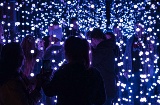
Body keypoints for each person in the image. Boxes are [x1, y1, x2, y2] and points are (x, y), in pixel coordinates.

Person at [42, 36, 106, 105]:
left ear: (68, 53)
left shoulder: (63, 73)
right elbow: (101, 99)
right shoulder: (94, 73)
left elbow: (49, 91)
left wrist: (45, 78)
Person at [90, 28, 117, 105]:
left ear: (94, 39)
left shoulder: (102, 50)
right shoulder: (107, 48)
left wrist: (91, 48)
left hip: (104, 88)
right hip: (108, 86)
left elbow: (92, 62)